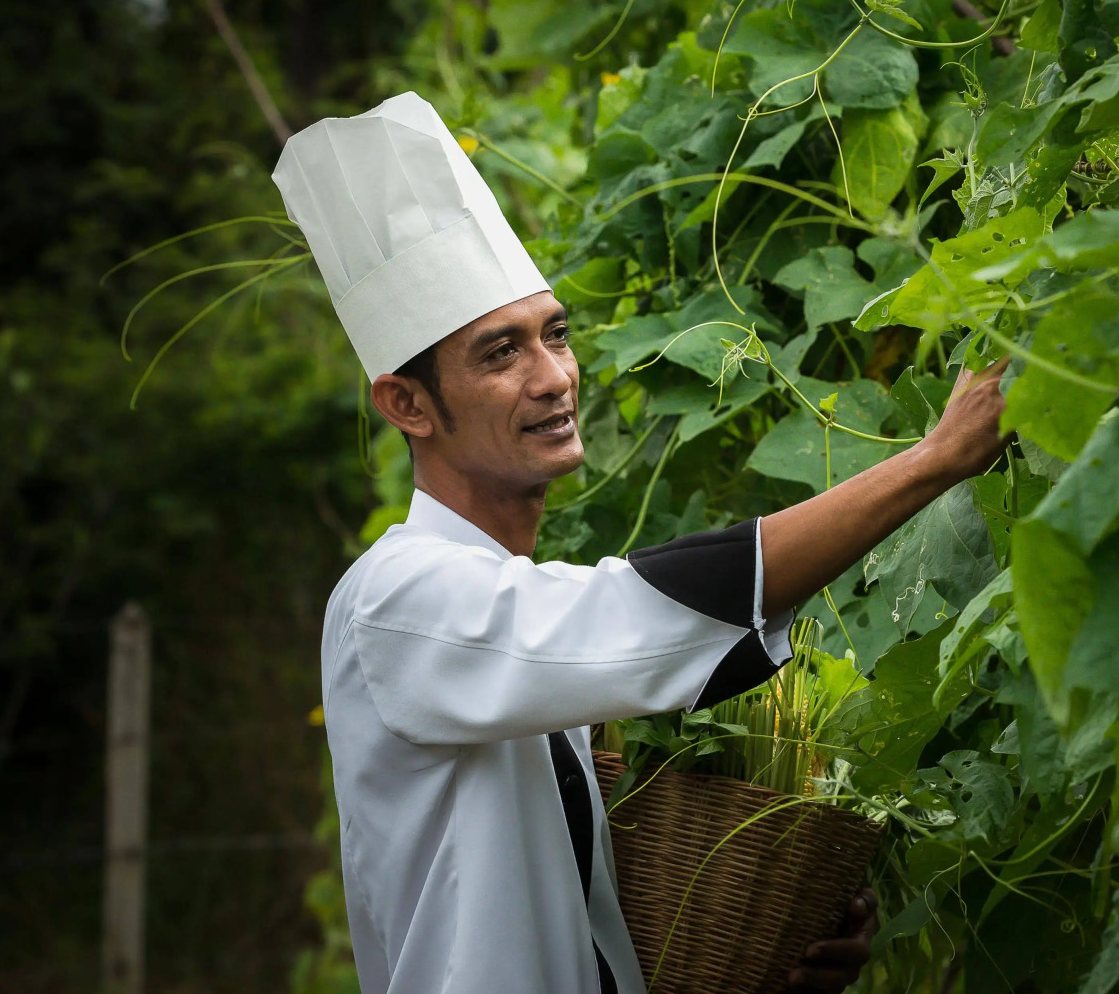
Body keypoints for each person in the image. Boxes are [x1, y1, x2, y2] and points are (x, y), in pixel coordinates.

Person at [273, 93, 1008, 994]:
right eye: (500, 354)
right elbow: (644, 611)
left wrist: (778, 954)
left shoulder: (506, 616)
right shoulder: (397, 600)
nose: (553, 378)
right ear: (408, 405)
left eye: (556, 335)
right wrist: (934, 461)